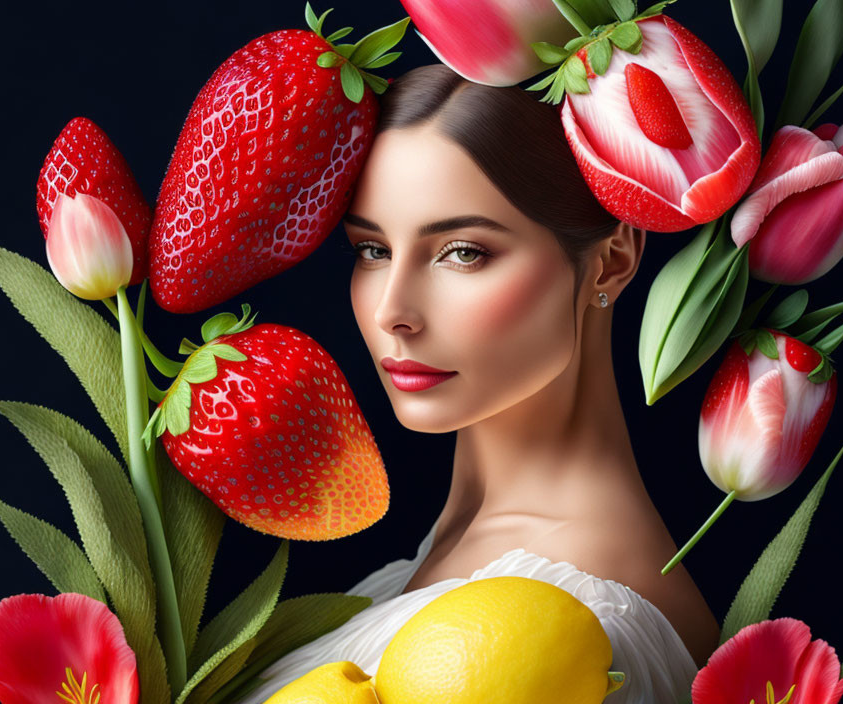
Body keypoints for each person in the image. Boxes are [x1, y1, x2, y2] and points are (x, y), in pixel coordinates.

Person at [238, 63, 719, 704]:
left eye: (463, 251)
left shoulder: (576, 634)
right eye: (372, 250)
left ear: (613, 260)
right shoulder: (472, 538)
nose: (391, 312)